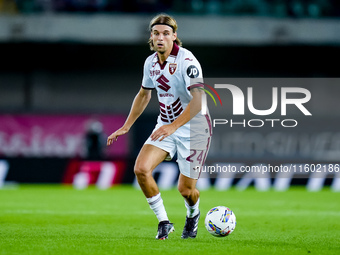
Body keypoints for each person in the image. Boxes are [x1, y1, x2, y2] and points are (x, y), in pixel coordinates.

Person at [107, 13, 212, 240]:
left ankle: (193, 214)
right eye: (156, 33)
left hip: (194, 128)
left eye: (165, 33)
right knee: (141, 169)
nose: (160, 37)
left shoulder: (187, 61)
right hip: (166, 125)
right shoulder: (150, 63)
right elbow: (144, 94)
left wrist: (174, 126)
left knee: (185, 190)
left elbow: (198, 100)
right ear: (151, 37)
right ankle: (164, 222)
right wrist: (127, 126)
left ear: (174, 36)